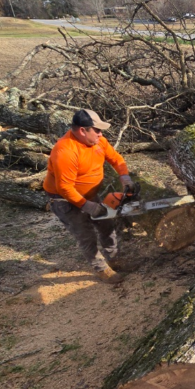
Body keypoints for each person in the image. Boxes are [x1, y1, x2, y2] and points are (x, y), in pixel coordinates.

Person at [43, 109, 137, 284]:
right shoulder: (65, 151)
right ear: (82, 131)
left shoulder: (98, 141)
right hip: (64, 199)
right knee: (85, 234)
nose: (101, 134)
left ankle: (114, 259)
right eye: (97, 130)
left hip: (89, 193)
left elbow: (116, 159)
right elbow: (64, 188)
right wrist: (87, 206)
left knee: (106, 224)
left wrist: (124, 177)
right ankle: (101, 269)